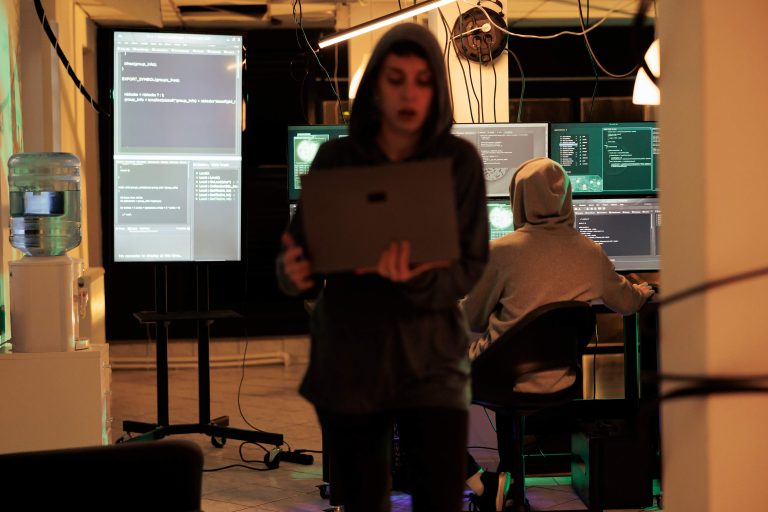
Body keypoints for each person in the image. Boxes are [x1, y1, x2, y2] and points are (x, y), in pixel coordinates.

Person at [276, 23, 489, 512]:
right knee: (362, 498)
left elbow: (473, 261)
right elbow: (297, 259)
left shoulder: (458, 161)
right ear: (375, 86)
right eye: (396, 79)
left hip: (431, 359)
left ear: (437, 89)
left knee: (439, 496)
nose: (409, 93)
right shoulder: (337, 159)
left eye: (422, 81)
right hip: (352, 357)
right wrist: (294, 273)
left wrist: (419, 279)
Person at [461, 157, 655, 511]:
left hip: (496, 377)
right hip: (560, 379)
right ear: (567, 198)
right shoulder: (590, 251)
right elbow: (627, 304)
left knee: (417, 386)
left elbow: (471, 319)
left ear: (517, 199)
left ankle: (482, 482)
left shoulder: (500, 252)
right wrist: (642, 291)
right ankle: (508, 486)